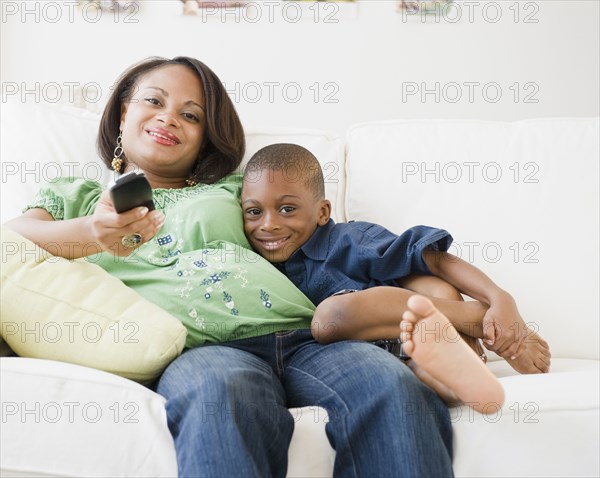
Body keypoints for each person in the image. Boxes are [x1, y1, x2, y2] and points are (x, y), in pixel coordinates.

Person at [5, 57, 455, 477]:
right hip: (203, 351)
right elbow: (12, 243)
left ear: (205, 137)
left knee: (392, 388)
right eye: (154, 101)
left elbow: (336, 241)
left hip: (307, 335)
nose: (169, 119)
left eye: (191, 115)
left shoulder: (237, 188)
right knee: (219, 397)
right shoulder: (76, 196)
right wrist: (92, 233)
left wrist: (443, 297)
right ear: (124, 113)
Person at [241, 143, 551, 408]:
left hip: (410, 325)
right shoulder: (251, 267)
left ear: (323, 212)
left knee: (333, 317)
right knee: (435, 385)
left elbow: (437, 262)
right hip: (397, 360)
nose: (268, 224)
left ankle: (476, 319)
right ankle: (464, 371)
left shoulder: (349, 240)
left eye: (286, 209)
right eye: (254, 212)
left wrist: (499, 298)